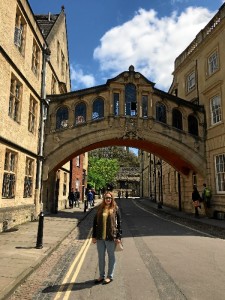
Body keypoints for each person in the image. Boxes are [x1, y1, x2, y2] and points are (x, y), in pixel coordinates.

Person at [92, 192, 122, 285]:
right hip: (100, 237)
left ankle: (110, 276)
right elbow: (94, 223)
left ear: (112, 199)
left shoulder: (115, 209)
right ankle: (101, 276)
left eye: (109, 198)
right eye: (106, 198)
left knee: (111, 257)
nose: (108, 199)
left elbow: (119, 224)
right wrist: (93, 236)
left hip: (110, 237)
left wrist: (118, 237)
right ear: (104, 199)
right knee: (101, 257)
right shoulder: (100, 209)